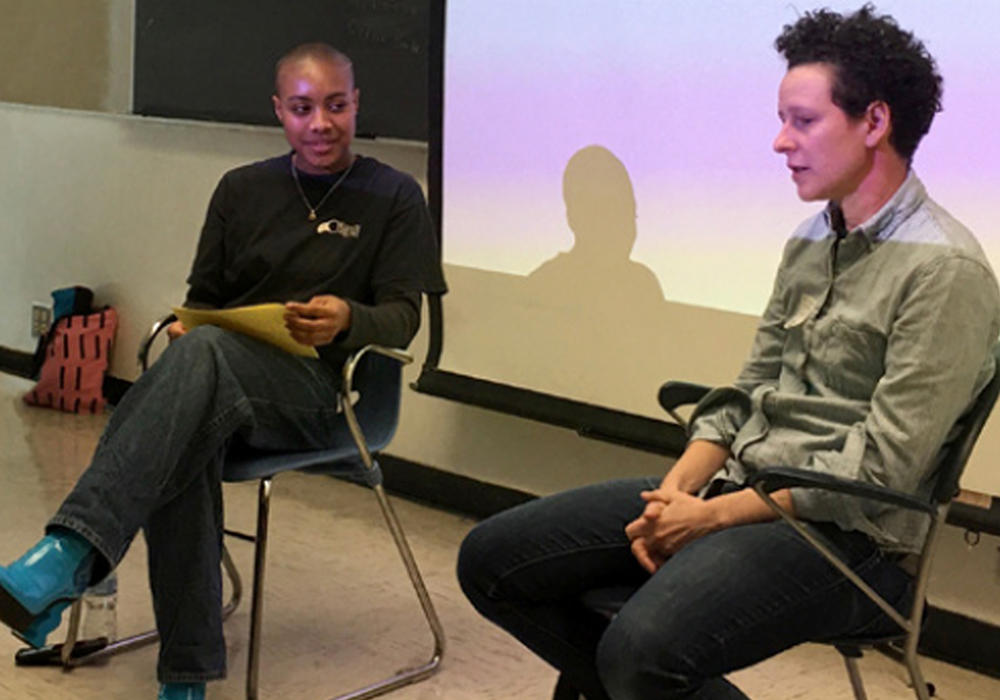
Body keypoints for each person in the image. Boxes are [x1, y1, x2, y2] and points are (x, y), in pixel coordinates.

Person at [457, 6, 1000, 700]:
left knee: (639, 650)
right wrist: (679, 491)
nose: (780, 141)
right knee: (493, 562)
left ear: (874, 123)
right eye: (783, 119)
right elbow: (748, 392)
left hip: (851, 542)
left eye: (803, 121)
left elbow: (885, 468)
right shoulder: (809, 239)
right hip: (741, 493)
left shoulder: (945, 271)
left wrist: (710, 517)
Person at [0, 43, 445, 700]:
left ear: (356, 104)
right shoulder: (241, 189)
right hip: (226, 386)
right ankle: (185, 680)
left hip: (326, 394)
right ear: (278, 112)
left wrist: (348, 319)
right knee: (187, 411)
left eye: (336, 105)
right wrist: (192, 322)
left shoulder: (395, 195)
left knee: (194, 369)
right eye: (301, 109)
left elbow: (405, 318)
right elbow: (204, 298)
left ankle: (73, 554)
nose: (320, 123)